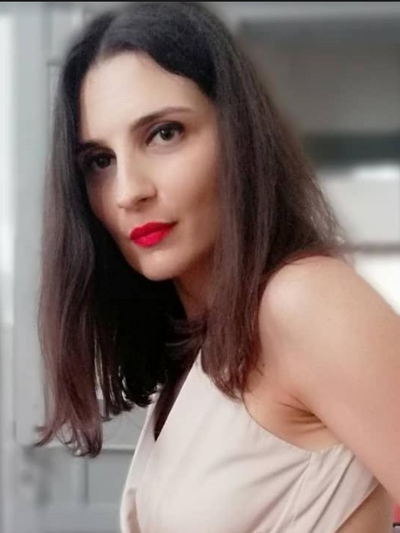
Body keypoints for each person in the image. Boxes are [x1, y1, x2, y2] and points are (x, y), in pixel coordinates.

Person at [36, 2, 400, 532]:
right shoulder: (199, 350)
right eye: (100, 161)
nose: (128, 191)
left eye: (163, 133)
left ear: (238, 134)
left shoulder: (302, 302)